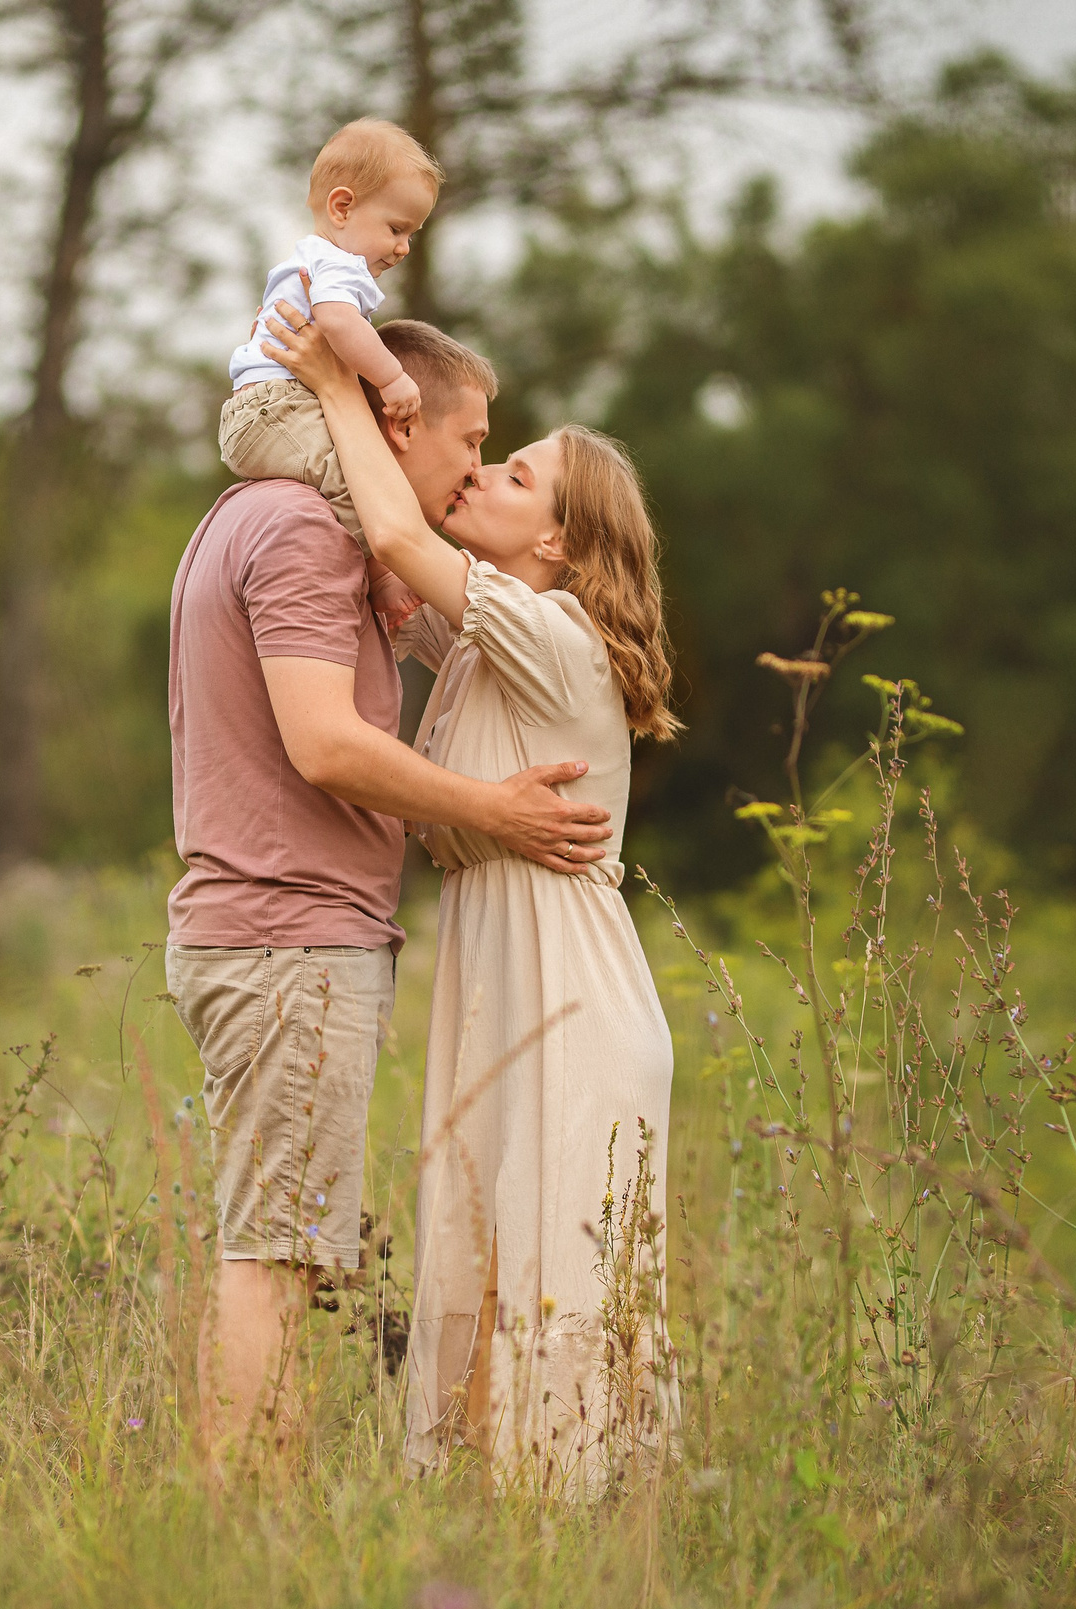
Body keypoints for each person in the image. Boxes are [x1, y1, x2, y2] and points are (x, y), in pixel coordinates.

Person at [165, 317, 613, 1470]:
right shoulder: (305, 533)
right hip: (291, 936)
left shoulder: (270, 523)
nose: (476, 464)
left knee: (285, 1246)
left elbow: (414, 577)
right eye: (474, 440)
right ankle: (247, 1529)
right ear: (399, 419)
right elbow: (326, 746)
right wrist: (494, 812)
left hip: (273, 931)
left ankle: (254, 1514)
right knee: (278, 1256)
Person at [263, 294, 681, 1497]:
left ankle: (567, 1549)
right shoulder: (500, 638)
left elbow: (398, 545)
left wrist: (345, 386)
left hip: (568, 992)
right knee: (484, 1245)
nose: (484, 472)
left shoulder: (553, 634)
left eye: (514, 474)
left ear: (554, 544)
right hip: (508, 972)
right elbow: (391, 577)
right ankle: (486, 1535)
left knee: (556, 1266)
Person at [216, 118, 442, 552]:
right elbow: (338, 321)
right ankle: (386, 578)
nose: (404, 248)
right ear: (342, 208)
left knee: (360, 466)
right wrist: (392, 378)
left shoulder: (315, 258)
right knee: (357, 484)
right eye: (396, 229)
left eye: (412, 234)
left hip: (265, 407)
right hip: (279, 408)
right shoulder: (340, 264)